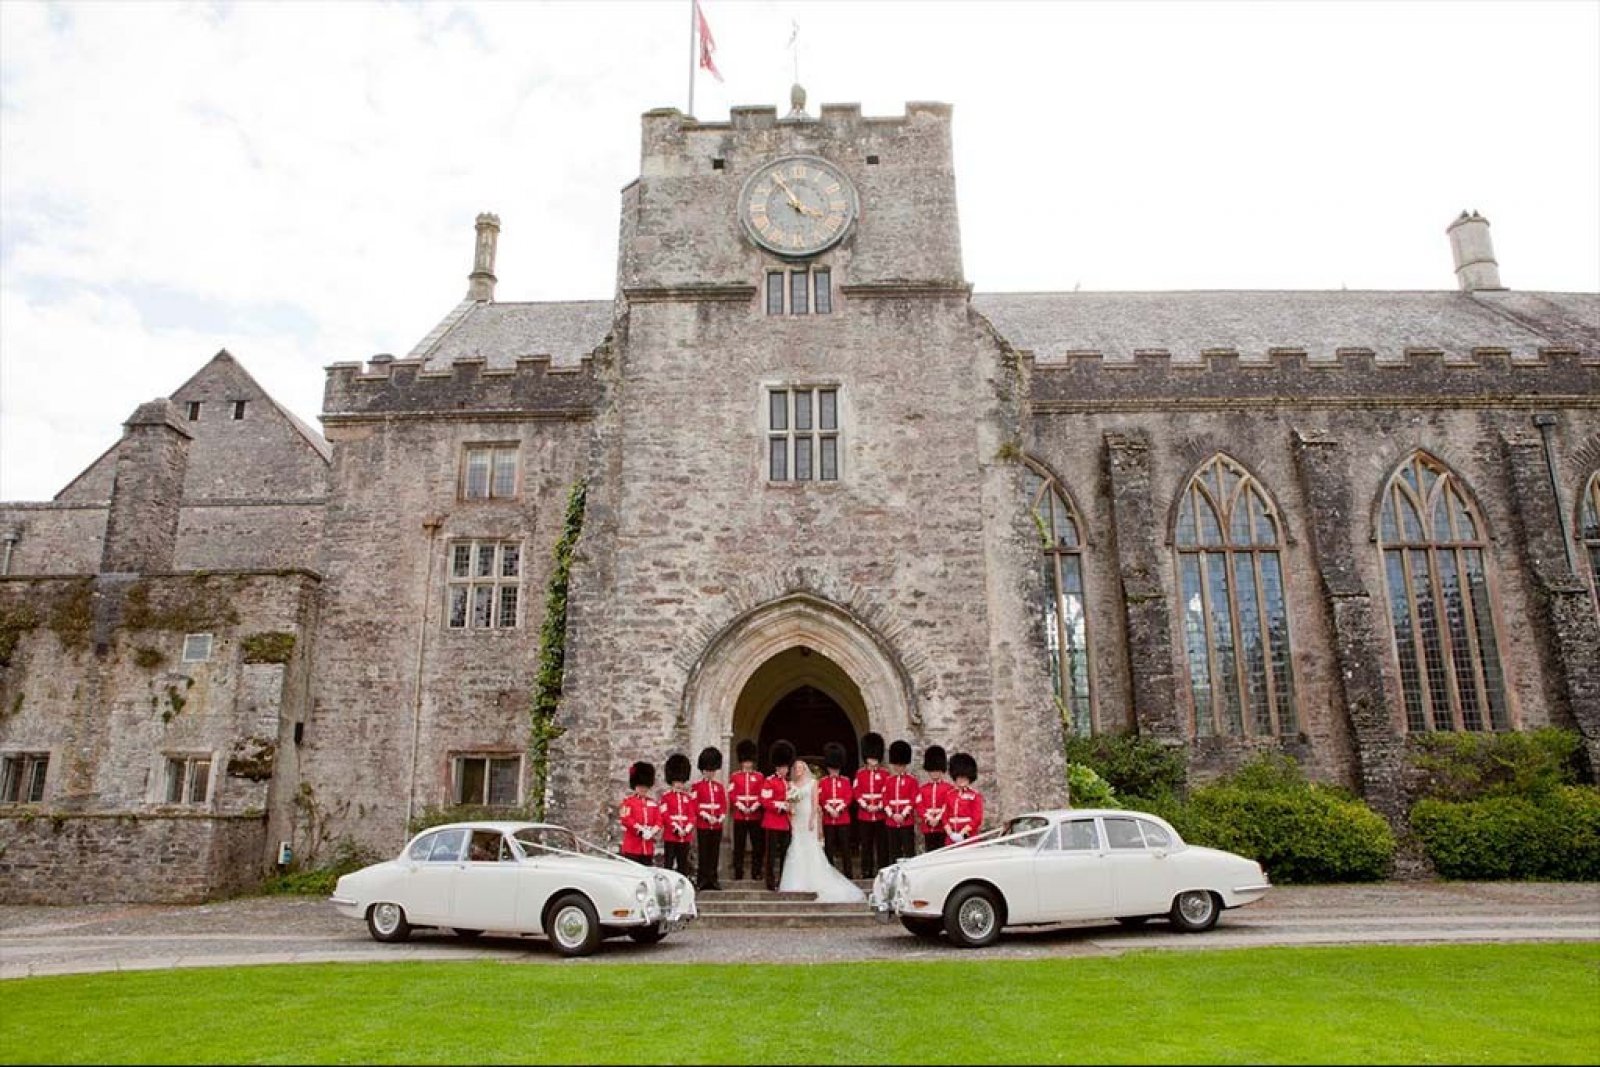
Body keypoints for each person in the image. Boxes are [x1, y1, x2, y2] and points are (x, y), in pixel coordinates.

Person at [779, 753, 867, 903]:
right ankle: (798, 881)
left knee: (812, 848)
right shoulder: (790, 784)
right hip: (796, 818)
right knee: (796, 847)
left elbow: (815, 803)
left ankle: (818, 878)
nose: (799, 770)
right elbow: (790, 801)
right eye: (796, 768)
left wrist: (814, 819)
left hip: (808, 817)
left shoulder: (813, 782)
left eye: (801, 767)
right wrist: (791, 809)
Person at [690, 745, 728, 892]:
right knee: (704, 853)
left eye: (712, 770)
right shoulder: (697, 787)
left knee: (714, 853)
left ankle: (713, 879)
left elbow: (723, 804)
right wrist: (706, 816)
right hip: (703, 824)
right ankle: (702, 879)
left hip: (716, 825)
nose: (710, 773)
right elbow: (695, 805)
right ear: (703, 770)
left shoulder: (718, 787)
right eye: (707, 770)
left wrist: (720, 817)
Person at [760, 740, 795, 891]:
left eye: (786, 767)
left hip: (785, 823)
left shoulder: (788, 783)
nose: (784, 770)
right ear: (777, 767)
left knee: (784, 854)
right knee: (771, 854)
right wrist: (781, 806)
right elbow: (765, 800)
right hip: (772, 822)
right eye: (782, 767)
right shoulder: (769, 781)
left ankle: (783, 879)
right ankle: (770, 881)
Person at [853, 731, 889, 879]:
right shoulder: (860, 774)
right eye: (870, 758)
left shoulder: (885, 774)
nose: (873, 761)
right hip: (865, 814)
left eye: (875, 758)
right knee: (866, 845)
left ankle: (882, 870)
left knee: (882, 845)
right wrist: (865, 805)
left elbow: (887, 792)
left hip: (880, 814)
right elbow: (857, 791)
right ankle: (866, 871)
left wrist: (879, 806)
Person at [729, 739, 765, 881]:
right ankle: (738, 872)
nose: (748, 764)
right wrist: (741, 806)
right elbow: (731, 794)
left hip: (755, 816)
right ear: (742, 761)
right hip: (740, 815)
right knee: (739, 846)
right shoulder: (735, 776)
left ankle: (756, 871)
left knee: (758, 846)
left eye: (750, 761)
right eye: (745, 761)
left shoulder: (759, 776)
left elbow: (763, 793)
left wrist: (755, 805)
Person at [817, 742, 854, 878]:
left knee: (845, 848)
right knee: (829, 848)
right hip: (828, 819)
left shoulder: (845, 781)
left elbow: (848, 796)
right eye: (832, 769)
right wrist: (829, 809)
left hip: (843, 818)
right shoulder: (823, 782)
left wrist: (838, 809)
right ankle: (829, 873)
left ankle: (848, 873)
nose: (834, 771)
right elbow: (821, 798)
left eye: (835, 769)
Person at [659, 752, 696, 878]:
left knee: (683, 864)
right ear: (672, 781)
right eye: (677, 781)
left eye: (681, 781)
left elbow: (692, 815)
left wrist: (686, 829)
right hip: (671, 835)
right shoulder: (666, 797)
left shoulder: (687, 797)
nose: (679, 784)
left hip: (685, 836)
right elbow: (665, 814)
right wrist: (676, 828)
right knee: (668, 863)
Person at [883, 739, 918, 865]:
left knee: (909, 850)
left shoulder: (912, 780)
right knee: (893, 851)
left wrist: (903, 814)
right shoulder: (888, 780)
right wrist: (892, 815)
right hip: (891, 821)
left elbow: (913, 799)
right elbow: (885, 799)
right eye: (897, 765)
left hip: (906, 820)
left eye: (901, 765)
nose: (899, 768)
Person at [619, 760, 662, 864]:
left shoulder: (653, 803)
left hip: (647, 848)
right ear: (635, 786)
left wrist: (652, 832)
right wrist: (641, 830)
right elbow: (626, 819)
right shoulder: (628, 802)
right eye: (640, 786)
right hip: (632, 848)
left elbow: (659, 820)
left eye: (645, 786)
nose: (643, 789)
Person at [916, 745, 955, 853]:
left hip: (942, 827)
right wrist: (929, 818)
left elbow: (947, 806)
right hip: (928, 827)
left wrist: (938, 818)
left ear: (941, 770)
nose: (935, 774)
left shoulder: (948, 788)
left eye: (937, 771)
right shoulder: (922, 789)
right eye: (932, 771)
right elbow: (919, 806)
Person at [944, 752, 984, 845]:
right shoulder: (949, 794)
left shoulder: (975, 795)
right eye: (959, 776)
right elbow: (944, 816)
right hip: (951, 837)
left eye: (964, 777)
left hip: (968, 837)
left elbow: (977, 819)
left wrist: (962, 833)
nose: (962, 779)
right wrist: (950, 833)